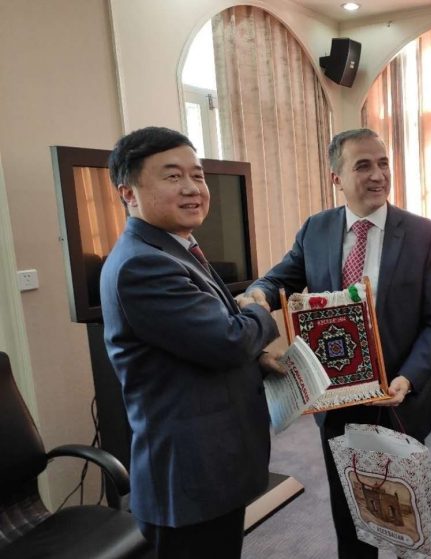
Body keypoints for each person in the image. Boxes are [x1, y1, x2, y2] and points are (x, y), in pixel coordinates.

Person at [245, 128, 431, 558]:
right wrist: (258, 295)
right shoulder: (316, 229)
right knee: (351, 518)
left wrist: (409, 377)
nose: (378, 175)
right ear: (336, 177)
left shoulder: (426, 235)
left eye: (383, 163)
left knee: (404, 518)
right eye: (363, 165)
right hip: (335, 401)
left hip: (397, 398)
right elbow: (279, 279)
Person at [100, 126, 281, 559]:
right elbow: (227, 340)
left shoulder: (176, 247)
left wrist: (256, 358)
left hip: (212, 468)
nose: (192, 188)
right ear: (128, 193)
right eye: (172, 176)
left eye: (197, 175)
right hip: (189, 478)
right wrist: (259, 306)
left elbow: (200, 344)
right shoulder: (143, 265)